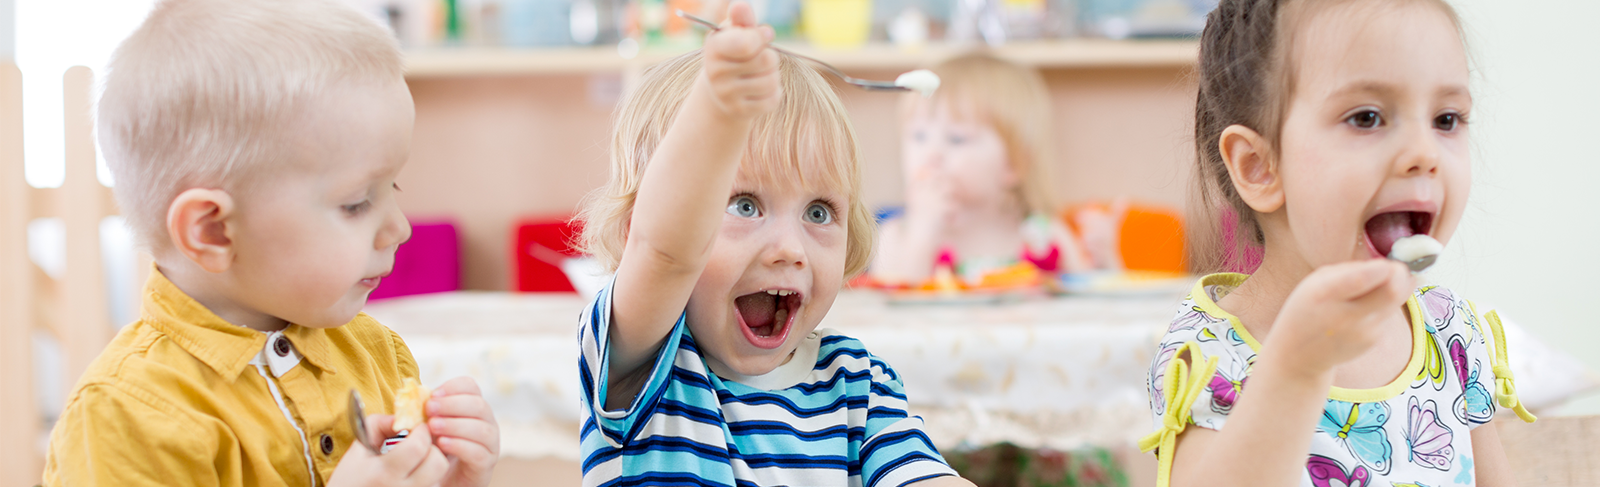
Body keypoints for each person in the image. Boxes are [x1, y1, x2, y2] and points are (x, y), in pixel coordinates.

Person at [42, 1, 499, 485]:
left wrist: (448, 478)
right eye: (357, 202)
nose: (400, 228)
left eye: (394, 189)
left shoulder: (377, 353)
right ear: (214, 231)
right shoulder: (127, 415)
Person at [572, 4, 974, 486]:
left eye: (818, 212)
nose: (790, 248)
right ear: (632, 227)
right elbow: (665, 252)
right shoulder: (641, 362)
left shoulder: (858, 384)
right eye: (744, 205)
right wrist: (718, 112)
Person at [1142, 0, 1535, 486]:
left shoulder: (1449, 332)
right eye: (1367, 117)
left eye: (1447, 119)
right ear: (1259, 167)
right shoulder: (1213, 356)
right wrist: (1297, 369)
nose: (1423, 153)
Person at [870, 53, 1117, 286]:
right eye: (918, 136)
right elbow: (893, 313)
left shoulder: (1045, 236)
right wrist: (923, 231)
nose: (931, 153)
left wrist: (1105, 264)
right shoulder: (895, 237)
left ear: (1013, 164)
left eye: (957, 139)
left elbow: (1096, 310)